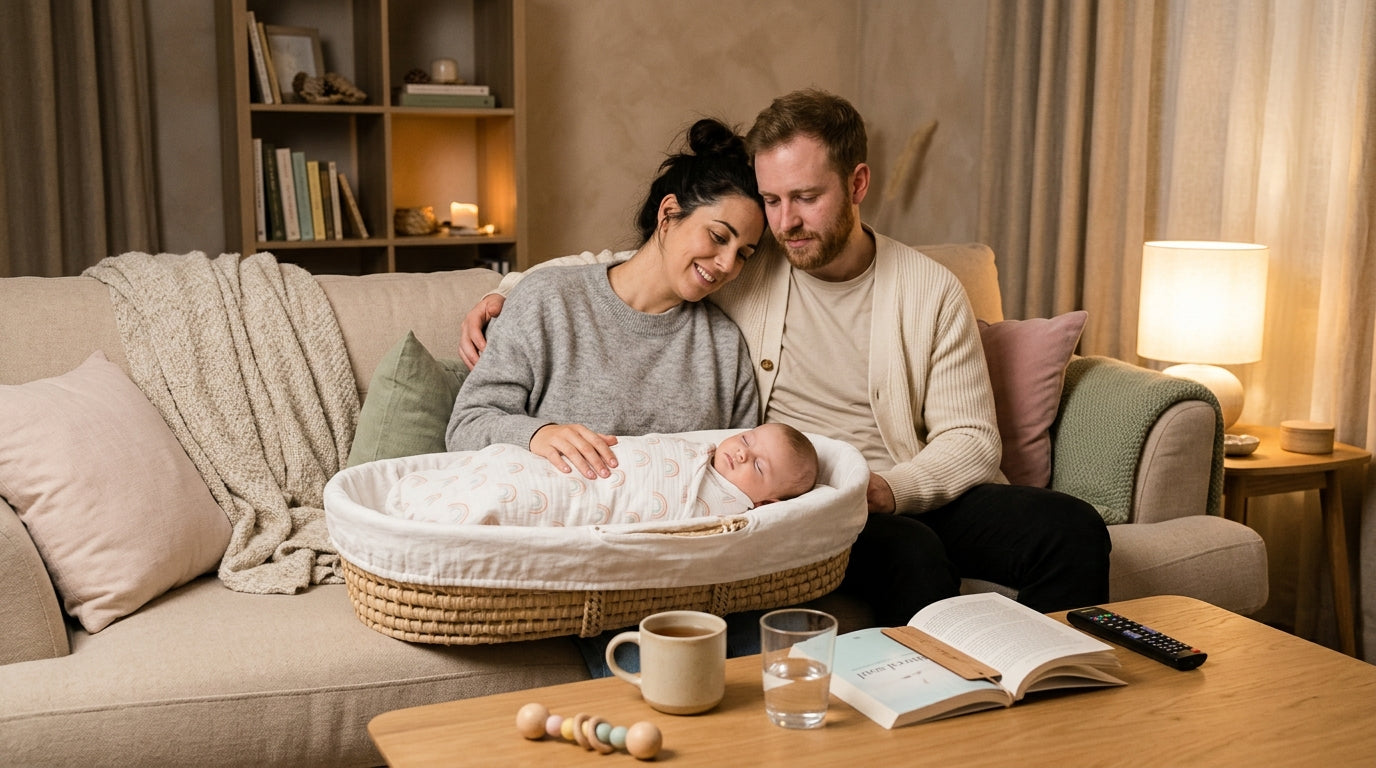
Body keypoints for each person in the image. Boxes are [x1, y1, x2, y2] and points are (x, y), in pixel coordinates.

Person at [459, 89, 1111, 626]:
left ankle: (1052, 690)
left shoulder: (928, 288)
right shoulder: (753, 263)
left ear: (857, 183)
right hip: (811, 491)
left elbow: (970, 439)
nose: (786, 222)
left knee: (1070, 528)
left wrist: (890, 488)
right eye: (772, 200)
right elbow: (640, 266)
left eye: (806, 197)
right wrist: (507, 292)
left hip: (901, 483)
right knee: (913, 555)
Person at [388, 423, 819, 527]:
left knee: (510, 499)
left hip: (601, 514)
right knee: (504, 466)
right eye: (746, 440)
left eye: (759, 466)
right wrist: (537, 433)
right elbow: (468, 423)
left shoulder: (732, 510)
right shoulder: (701, 452)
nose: (741, 453)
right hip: (559, 463)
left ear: (766, 504)